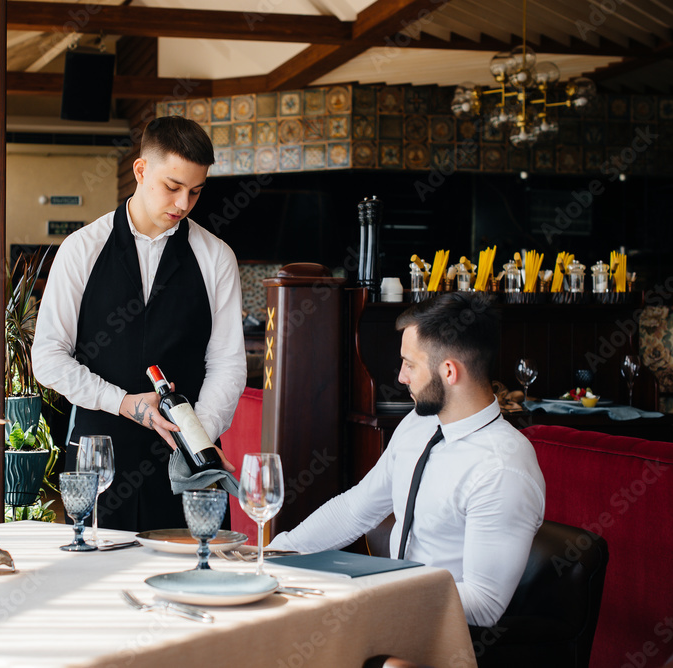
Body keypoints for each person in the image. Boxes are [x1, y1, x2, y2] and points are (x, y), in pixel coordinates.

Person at [270, 292, 545, 628]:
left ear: (448, 371)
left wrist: (368, 590)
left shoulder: (502, 468)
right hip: (392, 608)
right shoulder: (419, 423)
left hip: (443, 632)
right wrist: (275, 555)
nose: (401, 377)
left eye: (410, 364)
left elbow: (483, 605)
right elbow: (357, 508)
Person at [32, 116, 247, 532]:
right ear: (141, 170)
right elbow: (48, 357)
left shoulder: (217, 257)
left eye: (195, 191)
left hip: (189, 465)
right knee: (98, 585)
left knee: (196, 583)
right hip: (100, 461)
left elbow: (227, 363)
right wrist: (122, 402)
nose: (183, 203)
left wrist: (195, 434)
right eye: (172, 186)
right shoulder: (81, 249)